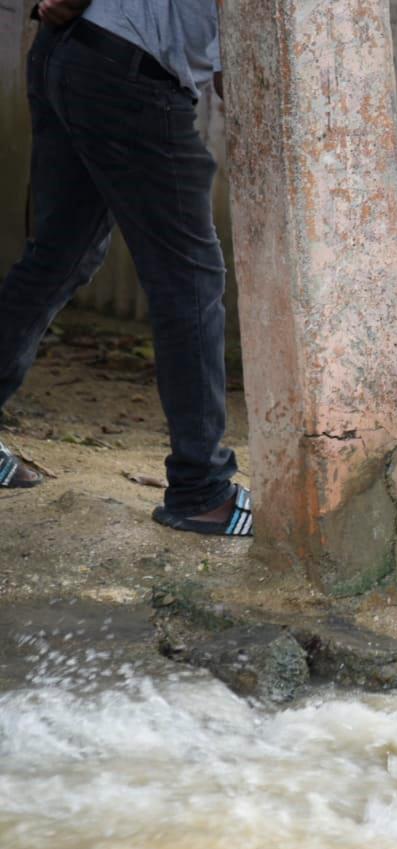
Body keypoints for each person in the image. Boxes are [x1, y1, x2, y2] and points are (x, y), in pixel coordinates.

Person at [0, 0, 251, 536]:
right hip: (127, 73)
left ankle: (200, 485)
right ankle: (201, 490)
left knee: (59, 256)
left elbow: (239, 61)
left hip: (69, 54)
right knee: (189, 280)